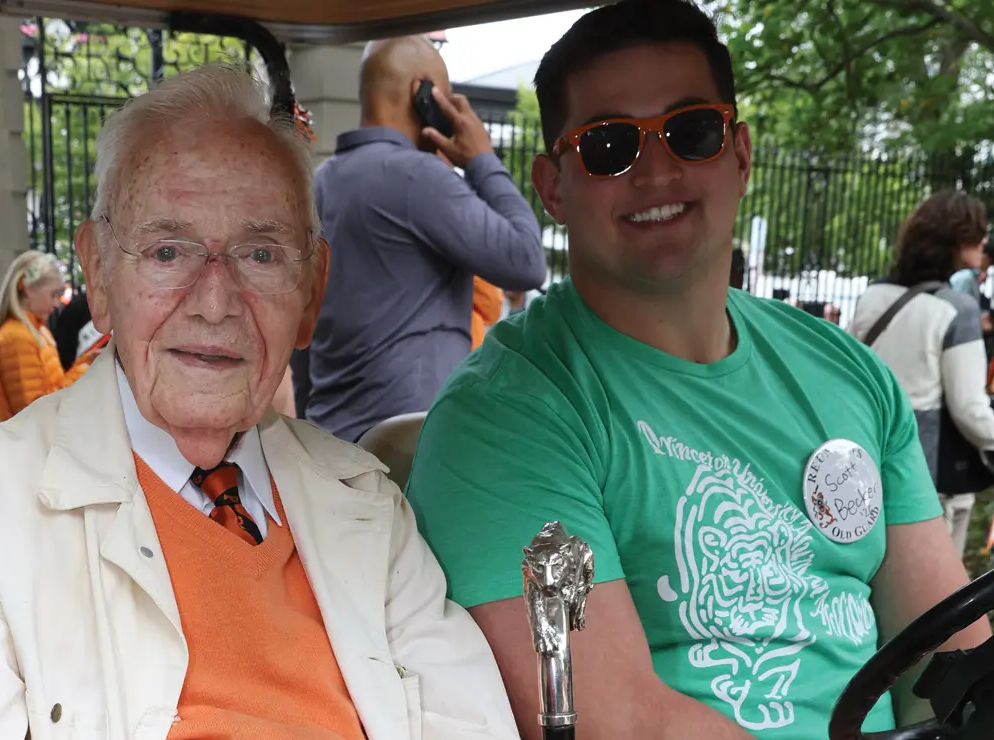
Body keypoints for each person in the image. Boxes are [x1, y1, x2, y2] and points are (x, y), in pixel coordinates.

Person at [0, 64, 517, 740]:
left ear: (311, 293)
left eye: (260, 254)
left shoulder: (369, 506)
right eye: (167, 250)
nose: (214, 303)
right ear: (99, 277)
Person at [403, 2, 991, 739]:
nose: (656, 169)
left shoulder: (849, 374)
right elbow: (614, 723)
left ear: (739, 154)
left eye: (693, 131)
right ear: (553, 186)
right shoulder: (506, 417)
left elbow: (950, 653)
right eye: (609, 144)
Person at [298, 35, 546, 442]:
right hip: (407, 445)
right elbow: (526, 261)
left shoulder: (322, 181)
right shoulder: (417, 177)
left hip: (330, 435)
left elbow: (302, 330)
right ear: (422, 92)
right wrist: (482, 158)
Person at [850, 191, 994, 556]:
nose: (983, 240)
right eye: (977, 233)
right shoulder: (957, 310)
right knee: (939, 603)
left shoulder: (874, 295)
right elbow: (970, 411)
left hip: (864, 464)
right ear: (956, 241)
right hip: (925, 480)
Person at [0, 251, 103, 422]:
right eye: (53, 294)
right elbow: (33, 411)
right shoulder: (17, 337)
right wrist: (84, 370)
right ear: (29, 290)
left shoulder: (37, 331)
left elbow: (51, 390)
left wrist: (86, 362)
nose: (56, 304)